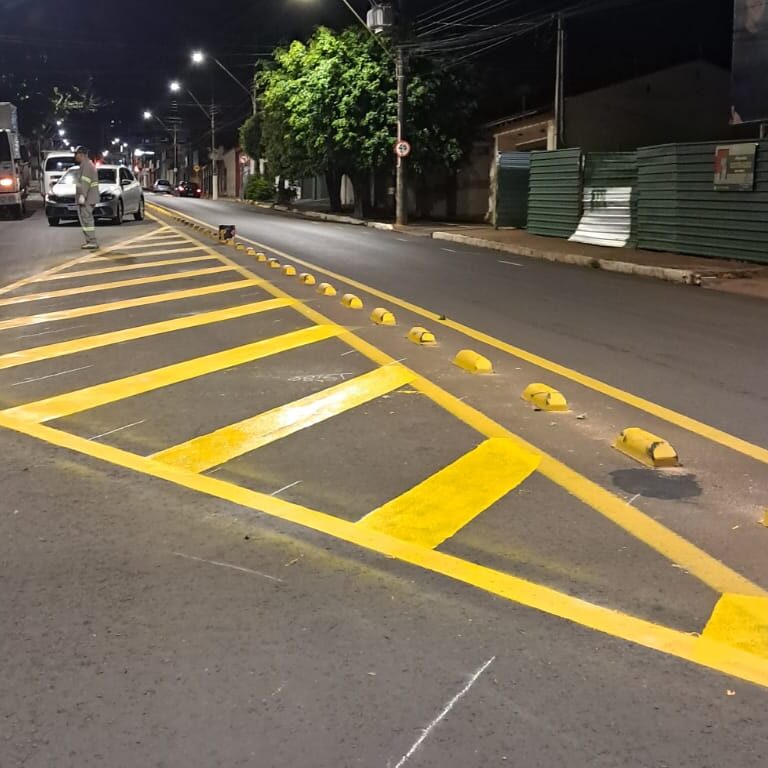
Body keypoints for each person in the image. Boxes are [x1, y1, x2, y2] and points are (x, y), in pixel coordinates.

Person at [73, 145, 100, 250]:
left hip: (88, 198)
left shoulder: (87, 165)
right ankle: (90, 240)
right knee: (86, 220)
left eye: (76, 154)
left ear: (81, 154)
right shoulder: (86, 164)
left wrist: (83, 196)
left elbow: (85, 182)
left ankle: (92, 241)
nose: (75, 157)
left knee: (87, 220)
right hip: (89, 197)